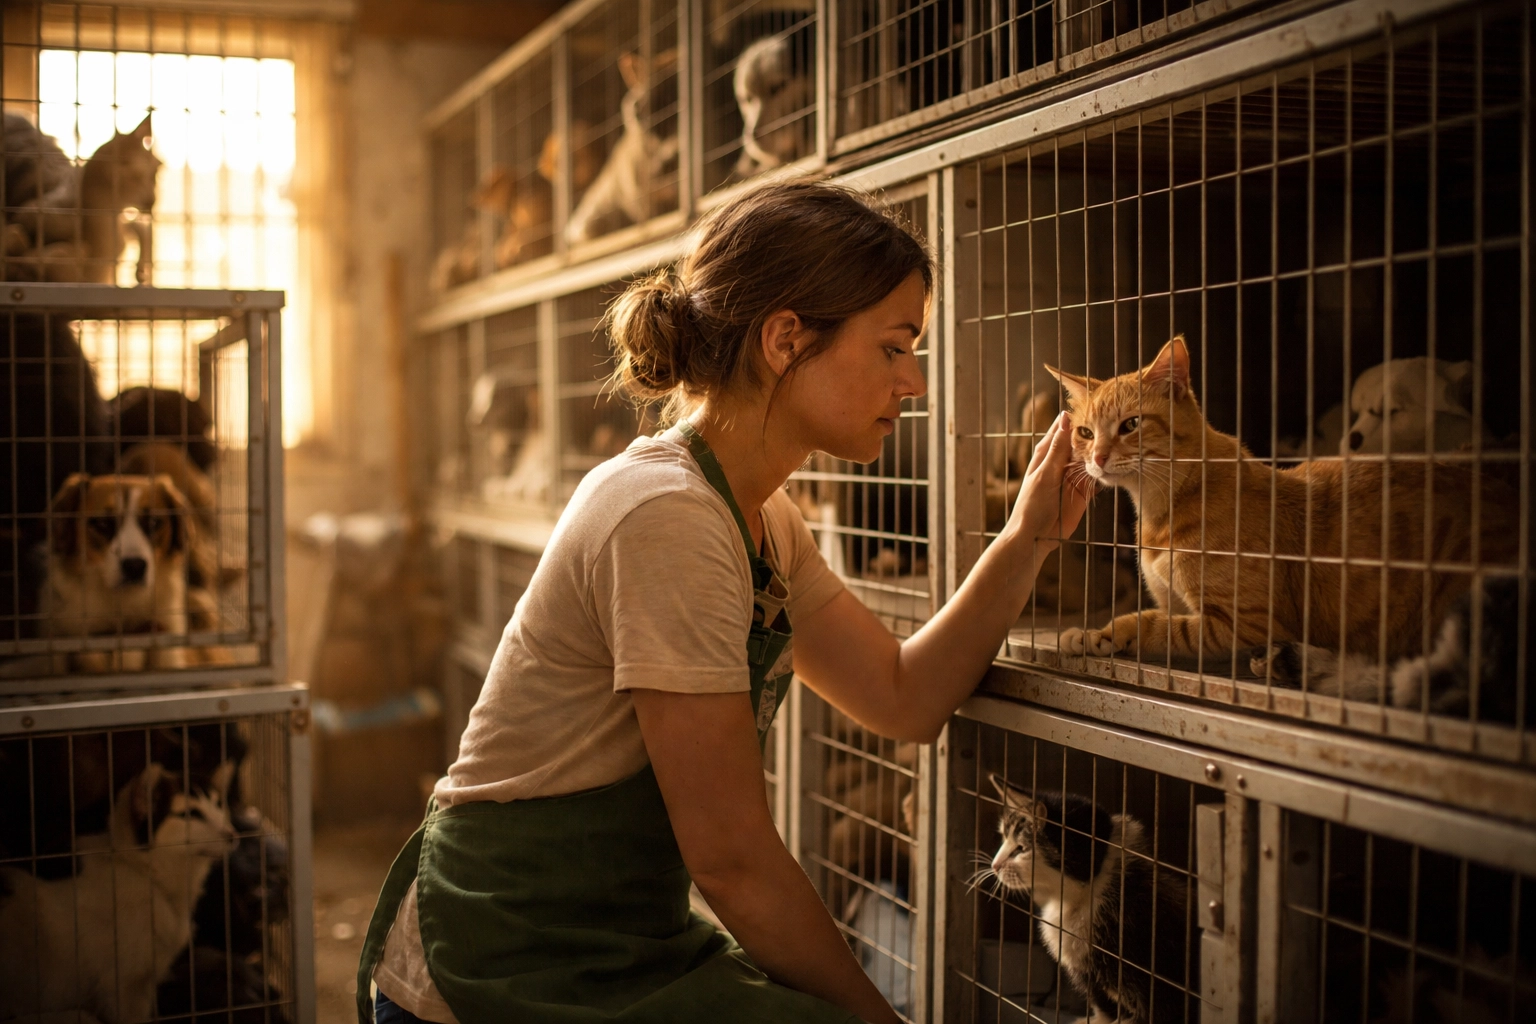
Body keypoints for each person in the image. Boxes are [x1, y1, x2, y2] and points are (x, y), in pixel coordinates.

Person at [357, 180, 1088, 1024]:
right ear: (786, 339)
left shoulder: (763, 519)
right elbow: (732, 859)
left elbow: (901, 696)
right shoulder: (666, 515)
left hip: (615, 943)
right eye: (894, 347)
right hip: (505, 948)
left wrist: (1029, 535)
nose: (914, 380)